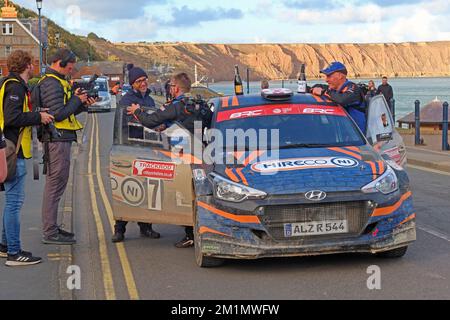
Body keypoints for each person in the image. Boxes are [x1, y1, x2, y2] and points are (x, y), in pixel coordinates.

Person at [127, 73, 212, 249]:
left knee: (181, 194)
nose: (169, 89)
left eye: (171, 86)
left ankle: (191, 234)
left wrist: (137, 111)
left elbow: (150, 121)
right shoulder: (201, 105)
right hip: (202, 155)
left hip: (181, 156)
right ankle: (201, 230)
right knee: (198, 194)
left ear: (176, 88)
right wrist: (168, 125)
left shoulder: (177, 105)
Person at [0, 50, 54, 266]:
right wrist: (38, 117)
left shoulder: (9, 84)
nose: (34, 67)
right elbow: (12, 117)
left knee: (11, 201)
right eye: (32, 64)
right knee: (14, 202)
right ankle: (14, 253)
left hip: (10, 148)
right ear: (27, 65)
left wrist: (36, 112)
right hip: (14, 150)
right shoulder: (15, 87)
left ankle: (5, 246)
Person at [39, 48, 96, 245]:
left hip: (61, 138)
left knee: (58, 184)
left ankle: (52, 228)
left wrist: (83, 104)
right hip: (56, 139)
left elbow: (66, 110)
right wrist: (76, 100)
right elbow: (58, 114)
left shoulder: (58, 82)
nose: (71, 71)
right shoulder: (51, 83)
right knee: (55, 185)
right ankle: (50, 232)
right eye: (69, 68)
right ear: (59, 63)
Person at [111, 64, 160, 243]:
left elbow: (153, 121)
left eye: (144, 79)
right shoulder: (126, 100)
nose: (143, 83)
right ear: (132, 84)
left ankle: (145, 226)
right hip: (129, 148)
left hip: (146, 148)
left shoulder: (150, 100)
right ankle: (119, 229)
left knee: (146, 188)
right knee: (125, 188)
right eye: (139, 81)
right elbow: (129, 123)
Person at [312, 61, 367, 133]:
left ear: (340, 76)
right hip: (341, 134)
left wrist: (322, 92)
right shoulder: (333, 90)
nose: (326, 80)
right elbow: (317, 86)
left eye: (329, 76)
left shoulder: (353, 88)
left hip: (356, 137)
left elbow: (342, 100)